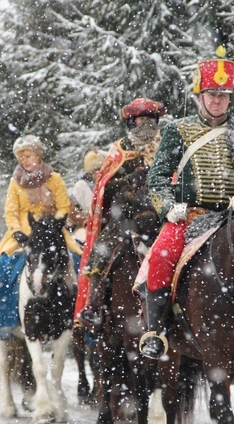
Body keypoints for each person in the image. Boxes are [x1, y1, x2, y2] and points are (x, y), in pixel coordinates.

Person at [139, 47, 234, 360]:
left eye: (223, 95)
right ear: (200, 95)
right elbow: (156, 180)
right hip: (192, 216)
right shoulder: (177, 130)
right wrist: (169, 207)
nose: (217, 101)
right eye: (211, 94)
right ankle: (156, 331)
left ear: (230, 97)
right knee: (160, 257)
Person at [0, 135, 82, 337]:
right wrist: (17, 231)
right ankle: (5, 320)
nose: (25, 160)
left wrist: (52, 225)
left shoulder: (54, 178)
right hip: (23, 233)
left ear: (39, 155)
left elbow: (64, 206)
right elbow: (11, 212)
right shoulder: (15, 183)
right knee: (3, 268)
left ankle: (80, 316)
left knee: (79, 263)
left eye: (28, 155)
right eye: (21, 157)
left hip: (53, 231)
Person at [75, 98, 166, 327]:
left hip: (161, 211)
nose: (145, 125)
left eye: (149, 120)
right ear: (132, 123)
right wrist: (128, 181)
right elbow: (105, 185)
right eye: (140, 120)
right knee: (104, 246)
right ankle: (94, 303)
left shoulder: (168, 145)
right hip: (127, 212)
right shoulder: (120, 149)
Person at [68, 147, 106, 246]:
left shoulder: (108, 183)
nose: (97, 173)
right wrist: (86, 221)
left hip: (105, 224)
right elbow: (73, 211)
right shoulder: (81, 186)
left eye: (99, 169)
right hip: (87, 226)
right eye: (94, 170)